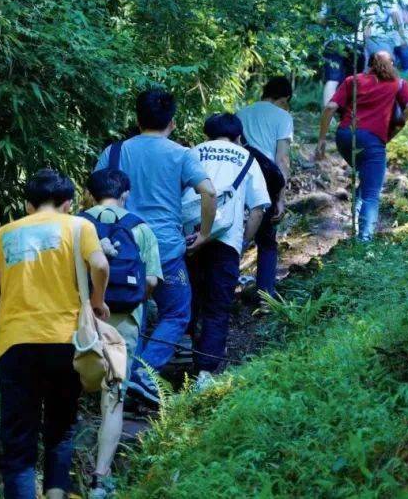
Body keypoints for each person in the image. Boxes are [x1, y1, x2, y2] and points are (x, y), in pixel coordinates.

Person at [0, 169, 110, 499]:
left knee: (19, 440)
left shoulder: (3, 235)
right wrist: (97, 302)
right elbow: (100, 265)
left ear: (28, 205)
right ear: (68, 204)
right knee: (61, 430)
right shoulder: (79, 226)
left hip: (16, 347)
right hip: (66, 343)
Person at [94, 88, 217, 406]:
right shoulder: (181, 154)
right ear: (172, 122)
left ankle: (115, 380)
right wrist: (204, 233)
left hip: (123, 249)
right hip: (165, 250)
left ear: (137, 119)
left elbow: (95, 196)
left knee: (126, 311)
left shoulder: (115, 152)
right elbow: (209, 192)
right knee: (177, 311)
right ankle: (143, 375)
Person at [83, 169, 162, 499]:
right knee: (113, 398)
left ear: (89, 194)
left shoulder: (76, 224)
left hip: (80, 317)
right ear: (126, 194)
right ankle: (100, 479)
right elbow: (152, 282)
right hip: (123, 320)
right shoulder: (140, 227)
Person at [188, 113, 270, 387]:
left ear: (207, 133)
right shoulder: (247, 158)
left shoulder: (193, 152)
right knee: (217, 306)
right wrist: (244, 242)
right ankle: (205, 371)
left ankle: (179, 356)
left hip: (189, 238)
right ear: (238, 136)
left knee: (188, 300)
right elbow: (258, 209)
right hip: (225, 242)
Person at [314, 52, 408, 242]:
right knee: (372, 193)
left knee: (366, 177)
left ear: (369, 65)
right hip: (372, 140)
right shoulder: (399, 83)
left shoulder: (353, 80)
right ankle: (364, 240)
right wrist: (397, 125)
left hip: (345, 136)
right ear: (392, 64)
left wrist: (321, 140)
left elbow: (330, 107)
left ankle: (354, 222)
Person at [236, 77, 293, 297]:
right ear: (285, 98)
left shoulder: (242, 113)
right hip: (267, 180)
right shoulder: (283, 117)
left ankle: (224, 288)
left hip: (241, 178)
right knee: (267, 241)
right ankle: (265, 295)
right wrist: (281, 197)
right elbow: (282, 159)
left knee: (236, 234)